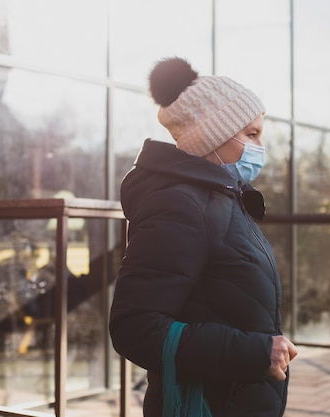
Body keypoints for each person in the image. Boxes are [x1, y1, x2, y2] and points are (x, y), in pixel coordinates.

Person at [109, 57, 298, 416]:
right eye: (251, 134)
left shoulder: (223, 197)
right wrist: (255, 353)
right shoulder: (179, 204)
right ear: (212, 136)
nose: (261, 147)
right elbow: (136, 327)